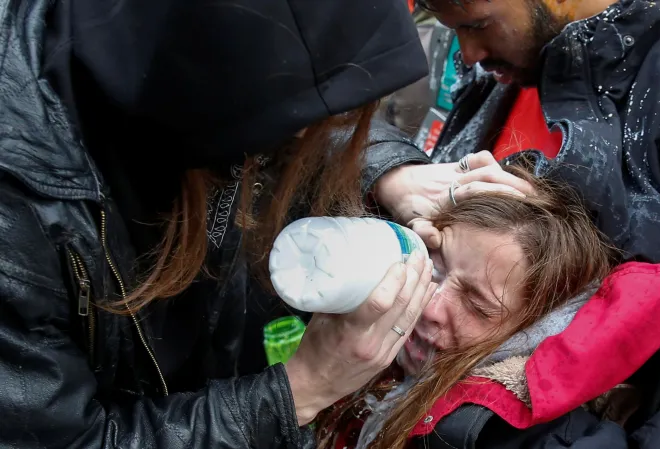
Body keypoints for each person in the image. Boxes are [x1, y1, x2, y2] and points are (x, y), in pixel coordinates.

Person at [0, 1, 528, 447]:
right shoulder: (19, 208)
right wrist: (297, 392)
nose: (427, 301)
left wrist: (389, 172)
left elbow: (291, 115)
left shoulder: (188, 68)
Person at [374, 0, 660, 447]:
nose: (469, 51)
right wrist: (391, 173)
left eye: (478, 25)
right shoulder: (506, 75)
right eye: (454, 28)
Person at [316, 169, 660, 449]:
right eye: (434, 266)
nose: (430, 305)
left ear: (535, 331)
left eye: (477, 305)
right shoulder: (369, 345)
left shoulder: (529, 440)